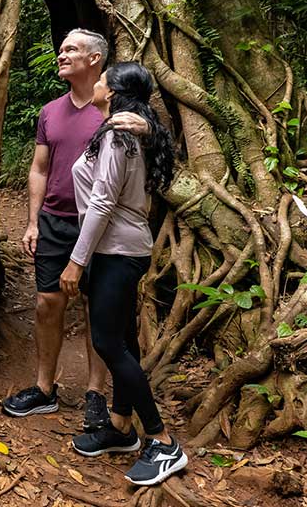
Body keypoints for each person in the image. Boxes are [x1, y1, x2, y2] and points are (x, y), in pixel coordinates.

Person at [1, 29, 149, 434]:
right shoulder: (50, 111)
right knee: (48, 302)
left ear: (96, 59)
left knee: (94, 310)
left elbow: (150, 150)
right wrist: (33, 221)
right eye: (61, 48)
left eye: (71, 50)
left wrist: (147, 128)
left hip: (99, 229)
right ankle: (44, 388)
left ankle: (95, 394)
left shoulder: (115, 113)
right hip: (55, 219)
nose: (61, 54)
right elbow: (39, 168)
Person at [61, 62, 185, 486]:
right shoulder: (129, 131)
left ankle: (163, 441)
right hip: (119, 247)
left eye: (100, 80)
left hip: (115, 249)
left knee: (107, 342)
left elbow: (101, 203)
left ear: (112, 92)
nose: (94, 85)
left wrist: (77, 261)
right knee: (125, 340)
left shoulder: (119, 134)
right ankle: (120, 426)